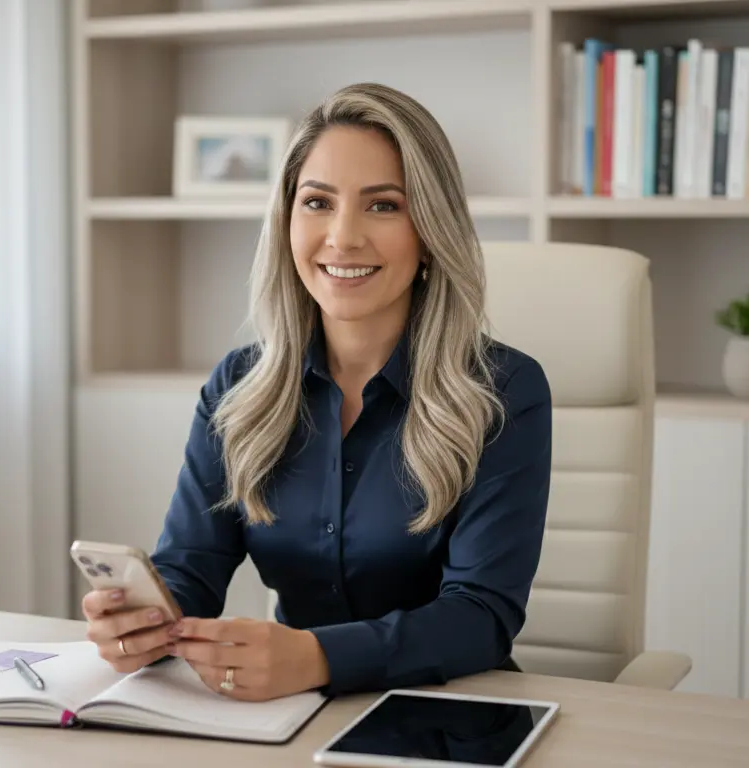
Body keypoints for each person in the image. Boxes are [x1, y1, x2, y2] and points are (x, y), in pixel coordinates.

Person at [82, 82, 552, 703]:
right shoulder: (239, 386)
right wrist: (142, 621)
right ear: (286, 221)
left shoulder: (502, 392)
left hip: (451, 713)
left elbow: (482, 616)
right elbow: (190, 569)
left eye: (383, 205)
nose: (343, 237)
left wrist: (319, 656)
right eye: (318, 202)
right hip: (285, 713)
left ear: (430, 230)